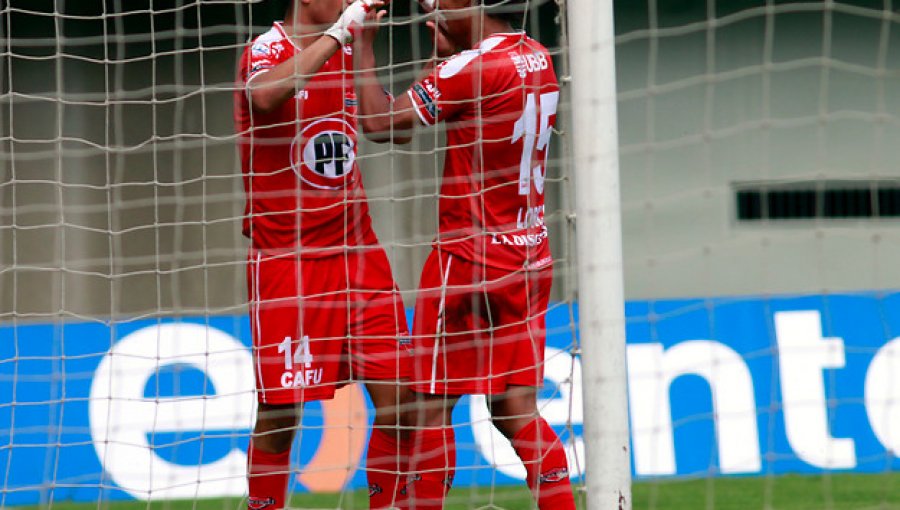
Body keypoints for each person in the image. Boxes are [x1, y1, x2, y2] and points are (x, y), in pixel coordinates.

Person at [354, 0, 576, 508]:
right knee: (515, 408)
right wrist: (454, 49)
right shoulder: (537, 56)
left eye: (439, 2)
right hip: (528, 257)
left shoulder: (468, 69)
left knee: (428, 408)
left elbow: (382, 123)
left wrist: (363, 41)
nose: (429, 8)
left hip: (467, 262)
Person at [233, 1, 414, 508]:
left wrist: (364, 48)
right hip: (288, 265)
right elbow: (265, 95)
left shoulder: (347, 48)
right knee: (280, 420)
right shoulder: (266, 50)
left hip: (358, 254)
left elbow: (390, 129)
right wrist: (338, 34)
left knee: (405, 404)